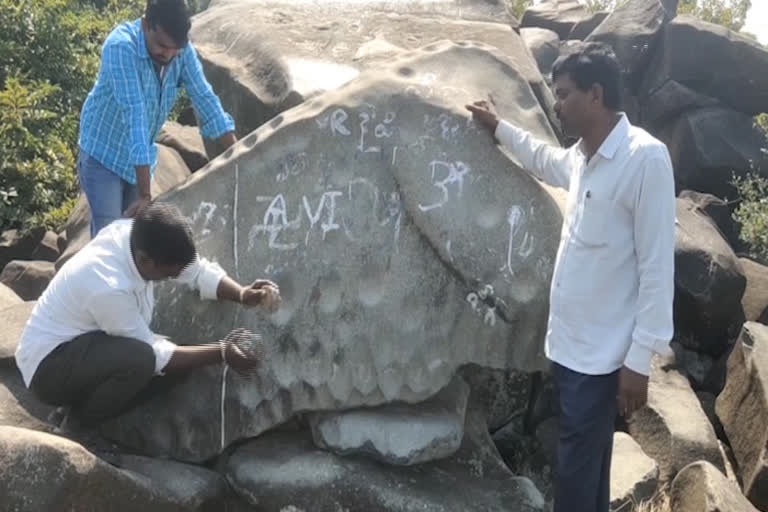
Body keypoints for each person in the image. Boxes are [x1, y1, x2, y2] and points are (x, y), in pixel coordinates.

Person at [467, 42, 675, 512]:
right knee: (587, 466)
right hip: (569, 346)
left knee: (576, 473)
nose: (556, 105)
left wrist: (639, 362)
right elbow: (543, 160)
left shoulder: (646, 159)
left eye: (563, 94)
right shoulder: (583, 157)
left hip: (602, 359)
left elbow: (658, 268)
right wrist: (499, 128)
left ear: (596, 95)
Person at [15, 202, 280, 428]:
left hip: (88, 346)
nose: (171, 279)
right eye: (168, 274)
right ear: (144, 261)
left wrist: (243, 294)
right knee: (142, 361)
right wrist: (222, 352)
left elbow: (195, 271)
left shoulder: (141, 238)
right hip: (49, 367)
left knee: (177, 366)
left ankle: (78, 410)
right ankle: (79, 425)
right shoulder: (107, 284)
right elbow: (152, 353)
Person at [78, 0, 237, 237]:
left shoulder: (180, 53)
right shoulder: (122, 47)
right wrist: (145, 195)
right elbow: (135, 115)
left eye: (176, 49)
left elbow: (205, 98)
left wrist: (237, 155)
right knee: (108, 237)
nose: (169, 55)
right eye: (162, 46)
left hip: (139, 160)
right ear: (145, 25)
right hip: (103, 154)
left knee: (135, 238)